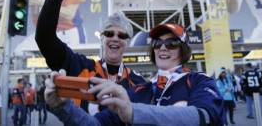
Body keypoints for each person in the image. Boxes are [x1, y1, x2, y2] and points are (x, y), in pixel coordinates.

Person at [45, 23, 225, 126]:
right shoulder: (141, 90)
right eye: (157, 43)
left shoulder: (200, 80)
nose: (162, 47)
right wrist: (62, 107)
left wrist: (132, 111)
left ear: (183, 49)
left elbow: (205, 116)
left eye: (171, 43)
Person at [35, 0, 146, 114]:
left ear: (127, 42)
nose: (115, 38)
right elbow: (44, 38)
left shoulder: (139, 83)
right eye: (109, 33)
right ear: (102, 38)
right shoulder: (80, 66)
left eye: (121, 35)